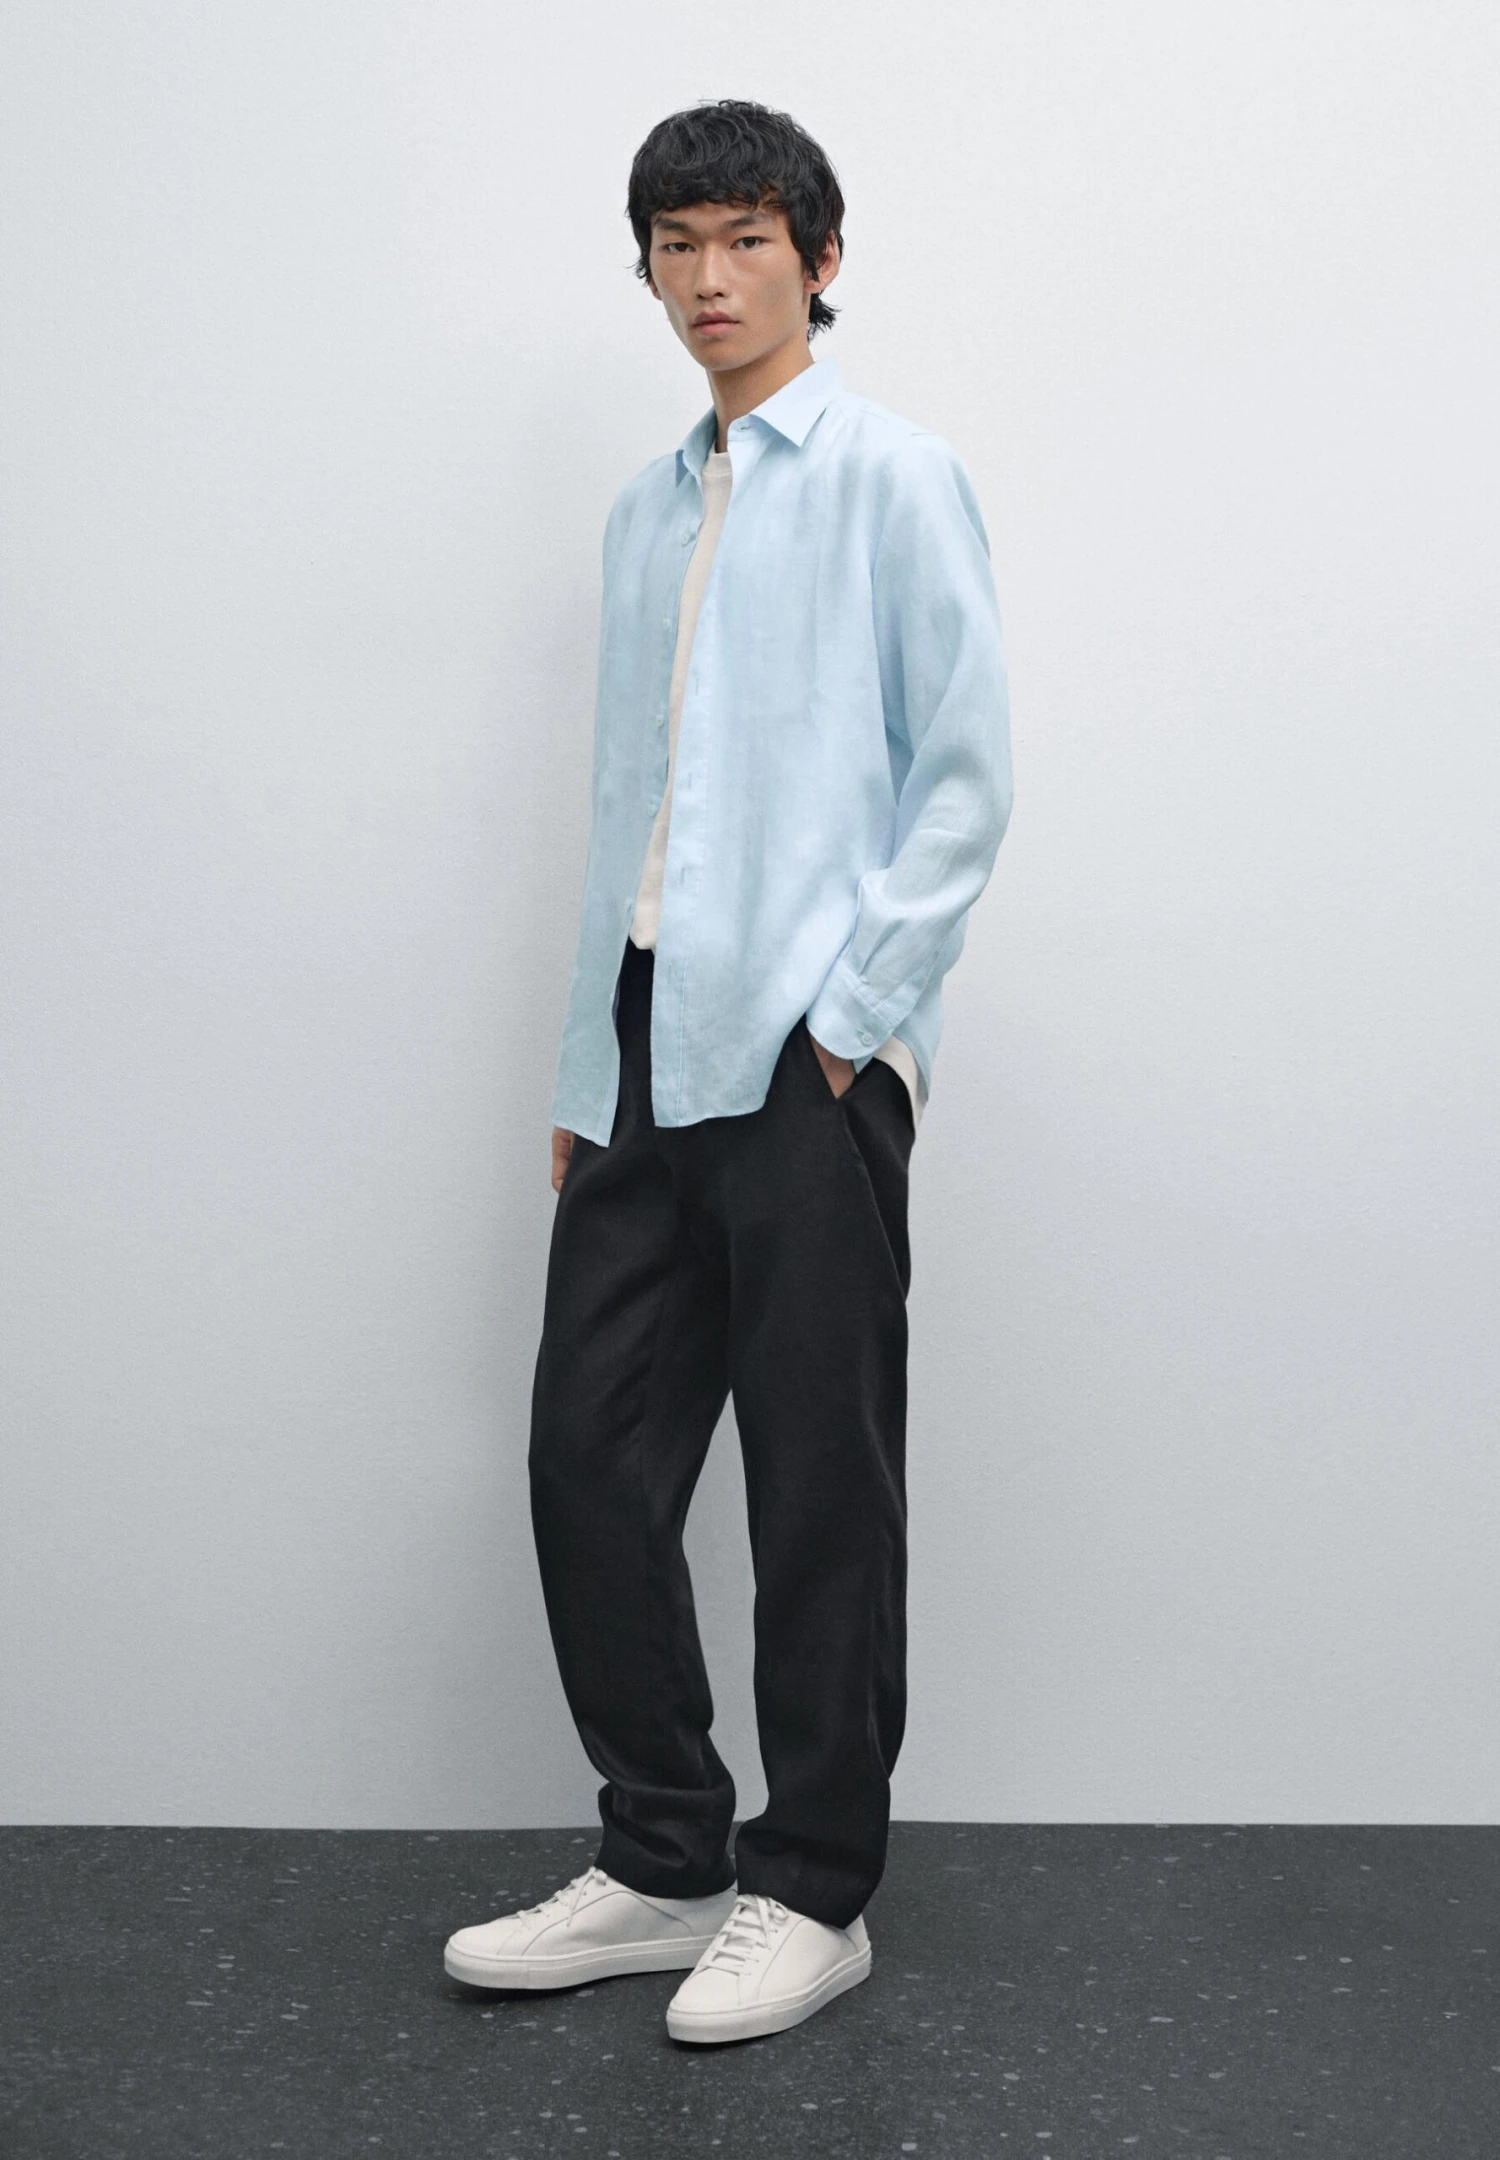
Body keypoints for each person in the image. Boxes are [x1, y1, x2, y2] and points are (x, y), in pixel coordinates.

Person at [444, 96, 1013, 2045]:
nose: (709, 277)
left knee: (816, 1483)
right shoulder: (642, 510)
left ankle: (815, 1888)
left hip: (801, 1053)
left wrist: (852, 1023)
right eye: (677, 245)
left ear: (819, 261)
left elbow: (965, 778)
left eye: (747, 239)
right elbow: (631, 804)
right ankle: (666, 1859)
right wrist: (579, 1064)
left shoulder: (895, 478)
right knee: (587, 1458)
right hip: (637, 1042)